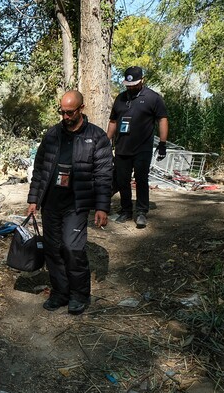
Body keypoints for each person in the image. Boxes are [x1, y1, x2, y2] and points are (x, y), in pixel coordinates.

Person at [27, 90, 112, 315]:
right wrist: (33, 198)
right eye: (62, 112)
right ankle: (60, 293)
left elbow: (104, 175)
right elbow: (40, 169)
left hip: (76, 202)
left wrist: (102, 207)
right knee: (53, 249)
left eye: (69, 112)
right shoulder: (52, 135)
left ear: (81, 109)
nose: (65, 116)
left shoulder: (97, 137)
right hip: (51, 202)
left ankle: (79, 295)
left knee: (73, 248)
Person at [107, 66, 169, 228]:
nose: (131, 87)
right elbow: (113, 121)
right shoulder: (120, 98)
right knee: (122, 180)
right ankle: (126, 210)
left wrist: (163, 143)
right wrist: (106, 141)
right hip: (122, 148)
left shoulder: (152, 98)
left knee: (141, 179)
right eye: (128, 84)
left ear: (142, 80)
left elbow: (162, 119)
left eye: (134, 84)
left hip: (142, 148)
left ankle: (141, 212)